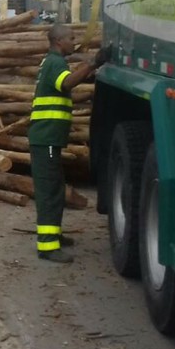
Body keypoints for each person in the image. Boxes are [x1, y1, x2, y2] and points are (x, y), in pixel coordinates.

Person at [28, 24, 108, 263]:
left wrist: (91, 69)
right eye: (71, 38)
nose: (74, 42)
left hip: (47, 139)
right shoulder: (55, 63)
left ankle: (55, 235)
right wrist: (93, 63)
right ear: (59, 41)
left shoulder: (51, 62)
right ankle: (48, 247)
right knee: (50, 192)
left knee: (55, 187)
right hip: (46, 139)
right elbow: (67, 83)